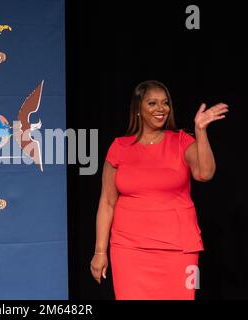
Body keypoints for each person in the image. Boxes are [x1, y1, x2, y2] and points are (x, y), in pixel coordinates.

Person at [90, 80, 228, 300]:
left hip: (180, 250)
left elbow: (205, 173)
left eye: (165, 103)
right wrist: (100, 252)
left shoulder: (182, 141)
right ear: (138, 109)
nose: (160, 109)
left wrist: (201, 131)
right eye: (152, 103)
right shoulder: (119, 147)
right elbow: (107, 202)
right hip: (129, 251)